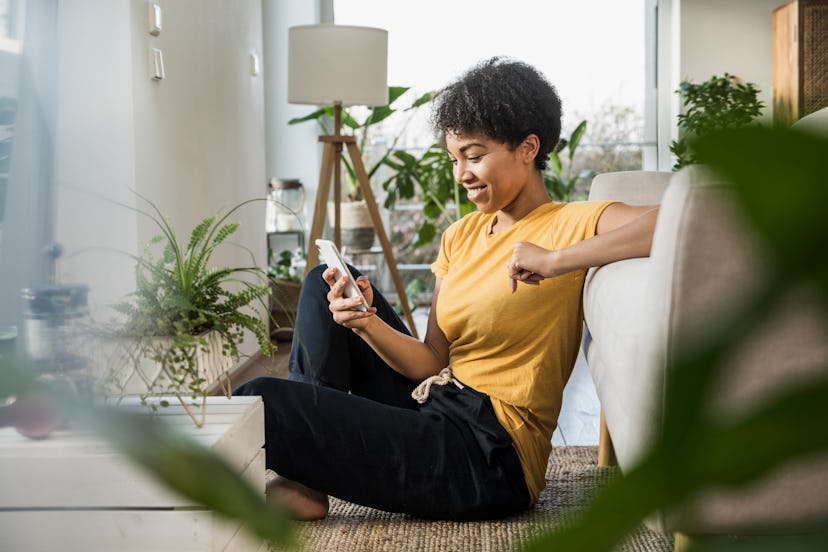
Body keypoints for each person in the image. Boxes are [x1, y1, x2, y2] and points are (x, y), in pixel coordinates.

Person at [235, 57, 658, 521]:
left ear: (528, 147)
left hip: (489, 454)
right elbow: (432, 360)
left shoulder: (572, 222)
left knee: (257, 397)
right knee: (323, 282)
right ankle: (307, 480)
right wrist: (366, 323)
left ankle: (303, 470)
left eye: (474, 156)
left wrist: (556, 260)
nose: (461, 174)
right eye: (455, 159)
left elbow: (682, 216)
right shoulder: (461, 235)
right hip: (434, 398)